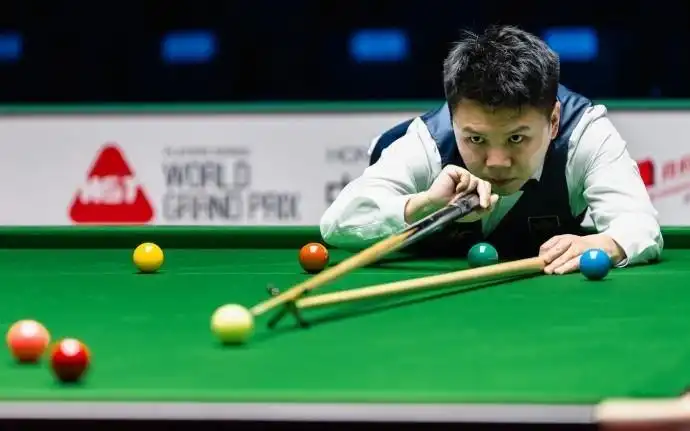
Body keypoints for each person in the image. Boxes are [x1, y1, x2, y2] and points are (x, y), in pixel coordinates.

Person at [320, 25, 662, 275]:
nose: (497, 163)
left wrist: (607, 244)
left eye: (516, 138)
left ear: (554, 121)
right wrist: (427, 203)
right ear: (453, 120)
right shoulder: (428, 143)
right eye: (476, 140)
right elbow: (337, 224)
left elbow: (638, 223)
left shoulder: (584, 135)